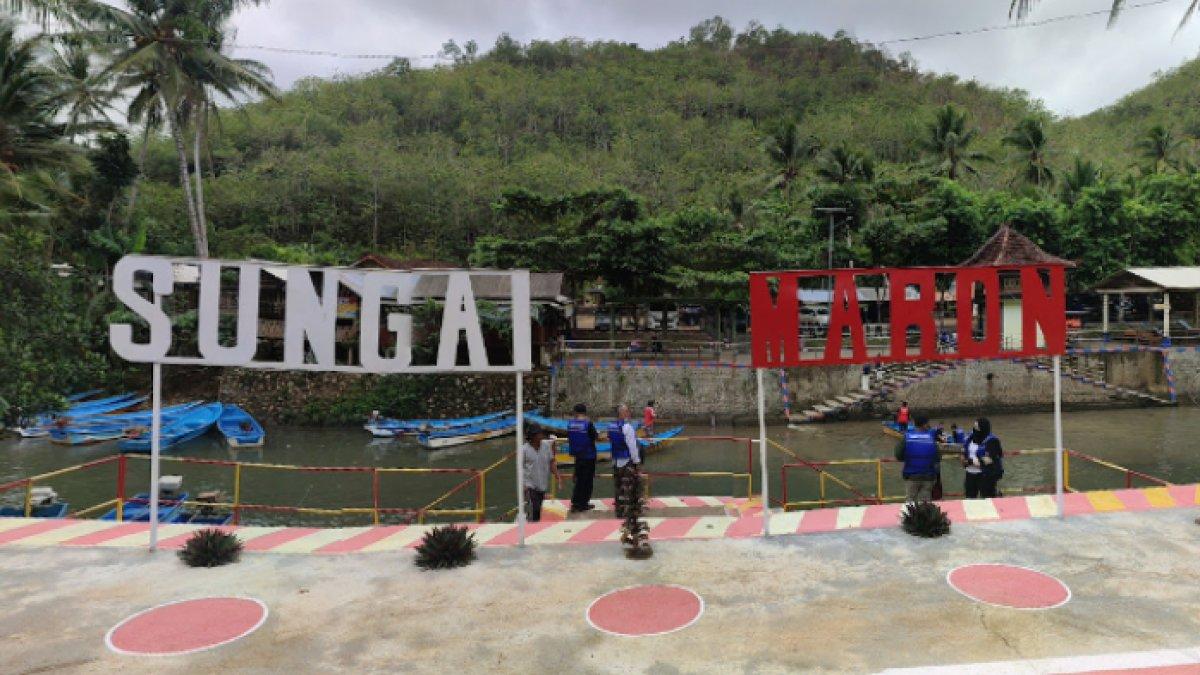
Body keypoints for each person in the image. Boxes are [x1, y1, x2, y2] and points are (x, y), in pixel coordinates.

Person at [894, 415, 939, 503]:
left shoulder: (907, 437)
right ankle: (925, 515)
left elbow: (898, 455)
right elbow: (937, 458)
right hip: (928, 476)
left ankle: (911, 516)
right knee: (926, 503)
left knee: (910, 502)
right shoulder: (931, 438)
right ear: (925, 424)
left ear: (914, 424)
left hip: (911, 475)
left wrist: (908, 458)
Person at [609, 404, 642, 518]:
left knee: (618, 486)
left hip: (615, 460)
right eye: (627, 411)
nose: (629, 413)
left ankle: (619, 511)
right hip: (626, 460)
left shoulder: (611, 426)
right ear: (622, 413)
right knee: (627, 486)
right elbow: (632, 446)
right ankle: (627, 513)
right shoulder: (627, 427)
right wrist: (637, 462)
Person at [567, 403, 599, 513]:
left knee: (579, 479)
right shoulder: (588, 424)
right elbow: (594, 436)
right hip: (589, 456)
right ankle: (583, 504)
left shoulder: (570, 424)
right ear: (585, 412)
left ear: (575, 412)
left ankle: (575, 502)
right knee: (587, 481)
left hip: (577, 456)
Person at [521, 425, 556, 523]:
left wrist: (557, 475)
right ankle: (531, 528)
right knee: (534, 508)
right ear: (533, 436)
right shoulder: (524, 450)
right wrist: (523, 485)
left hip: (542, 484)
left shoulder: (546, 446)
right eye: (539, 434)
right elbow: (520, 467)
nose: (542, 435)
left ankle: (533, 525)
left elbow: (551, 460)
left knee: (539, 510)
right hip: (530, 485)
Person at [962, 417, 1003, 499]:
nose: (974, 429)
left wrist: (970, 461)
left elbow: (989, 460)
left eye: (977, 427)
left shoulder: (992, 441)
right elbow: (964, 451)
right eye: (974, 427)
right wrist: (963, 458)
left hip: (985, 475)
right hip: (970, 474)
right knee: (969, 499)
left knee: (987, 499)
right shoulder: (970, 438)